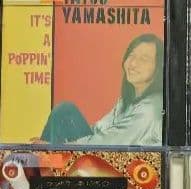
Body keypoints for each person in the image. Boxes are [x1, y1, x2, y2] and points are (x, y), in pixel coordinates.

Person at [35, 33, 163, 146]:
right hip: (104, 152)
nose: (133, 64)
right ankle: (45, 155)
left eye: (144, 59)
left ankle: (46, 156)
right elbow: (100, 130)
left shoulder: (151, 109)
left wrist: (56, 146)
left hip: (118, 161)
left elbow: (110, 142)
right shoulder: (127, 100)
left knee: (64, 116)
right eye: (131, 55)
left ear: (158, 67)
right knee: (65, 111)